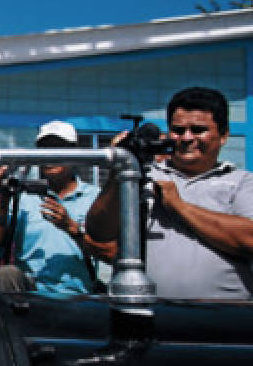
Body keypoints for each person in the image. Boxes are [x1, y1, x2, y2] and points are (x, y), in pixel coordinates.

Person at [86, 86, 253, 299]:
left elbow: (250, 239)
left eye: (198, 130)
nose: (186, 138)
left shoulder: (242, 182)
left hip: (224, 321)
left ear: (224, 135)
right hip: (147, 315)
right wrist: (121, 171)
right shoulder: (141, 176)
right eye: (178, 130)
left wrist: (179, 206)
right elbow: (98, 232)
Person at [0, 121, 108, 295]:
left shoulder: (94, 197)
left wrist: (72, 229)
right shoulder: (23, 197)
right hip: (32, 295)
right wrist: (3, 200)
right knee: (6, 274)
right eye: (45, 149)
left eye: (58, 148)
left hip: (79, 297)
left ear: (75, 154)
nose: (50, 156)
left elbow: (108, 252)